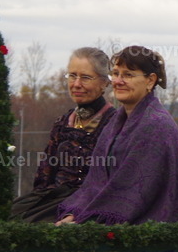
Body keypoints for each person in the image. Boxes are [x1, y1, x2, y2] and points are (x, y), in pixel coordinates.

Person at [56, 45, 178, 225]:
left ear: (150, 81)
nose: (118, 81)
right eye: (115, 73)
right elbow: (96, 183)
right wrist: (76, 215)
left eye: (128, 75)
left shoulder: (156, 125)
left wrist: (86, 222)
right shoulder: (115, 122)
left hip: (149, 226)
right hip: (114, 218)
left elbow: (133, 191)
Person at [11, 48, 116, 222]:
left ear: (104, 82)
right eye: (72, 76)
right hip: (51, 199)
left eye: (85, 77)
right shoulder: (64, 121)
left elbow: (110, 181)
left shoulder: (113, 123)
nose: (76, 84)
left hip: (86, 206)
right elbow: (45, 173)